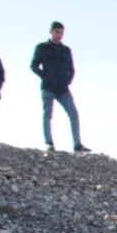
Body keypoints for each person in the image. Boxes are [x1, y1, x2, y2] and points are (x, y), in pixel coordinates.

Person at [30, 22, 89, 152]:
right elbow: (33, 65)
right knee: (48, 114)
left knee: (73, 114)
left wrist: (68, 81)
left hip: (63, 89)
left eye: (61, 33)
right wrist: (45, 77)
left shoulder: (66, 50)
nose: (59, 35)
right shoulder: (42, 47)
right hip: (48, 87)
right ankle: (49, 143)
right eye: (57, 32)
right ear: (51, 32)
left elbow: (71, 69)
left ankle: (77, 145)